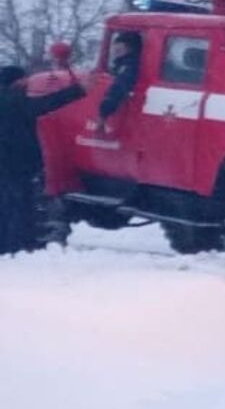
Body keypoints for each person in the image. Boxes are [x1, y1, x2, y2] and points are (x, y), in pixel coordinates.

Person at [0, 63, 86, 256]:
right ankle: (16, 245)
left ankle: (5, 244)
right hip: (16, 162)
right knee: (18, 204)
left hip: (6, 162)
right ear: (17, 81)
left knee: (5, 203)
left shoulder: (7, 99)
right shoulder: (16, 100)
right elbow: (48, 103)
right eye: (23, 79)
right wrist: (79, 90)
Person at [99, 32, 141, 121]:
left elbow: (120, 84)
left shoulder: (129, 65)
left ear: (130, 48)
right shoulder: (121, 63)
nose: (115, 49)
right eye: (115, 46)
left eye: (119, 48)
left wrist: (107, 105)